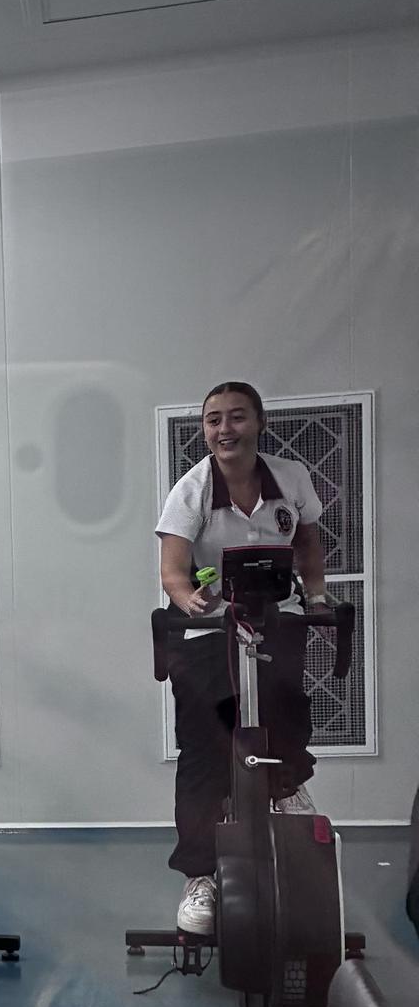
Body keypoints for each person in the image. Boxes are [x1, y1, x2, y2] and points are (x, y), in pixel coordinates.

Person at [156, 379, 327, 936]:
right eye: (214, 420)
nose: (225, 429)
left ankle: (285, 786)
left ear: (258, 422)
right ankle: (199, 877)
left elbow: (307, 542)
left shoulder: (291, 478)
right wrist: (191, 600)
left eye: (236, 417)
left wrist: (316, 595)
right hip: (208, 627)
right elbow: (172, 572)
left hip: (274, 617)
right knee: (204, 749)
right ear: (205, 430)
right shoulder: (191, 490)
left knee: (288, 711)